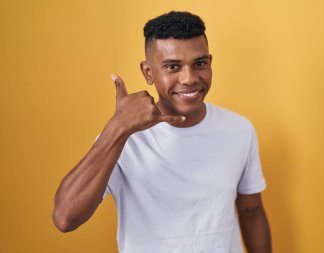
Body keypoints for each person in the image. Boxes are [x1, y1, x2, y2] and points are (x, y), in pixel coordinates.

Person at [53, 11, 272, 253]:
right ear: (148, 72)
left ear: (210, 62)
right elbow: (65, 218)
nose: (189, 79)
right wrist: (117, 128)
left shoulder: (239, 129)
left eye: (199, 63)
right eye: (172, 66)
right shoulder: (123, 137)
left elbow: (251, 212)